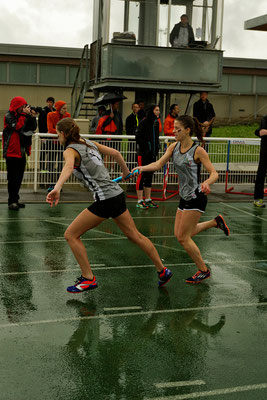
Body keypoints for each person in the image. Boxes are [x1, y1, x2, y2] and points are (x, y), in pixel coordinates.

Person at [46, 117, 172, 293]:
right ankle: (162, 270)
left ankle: (88, 278)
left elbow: (68, 167)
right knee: (134, 235)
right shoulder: (89, 143)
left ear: (63, 134)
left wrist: (58, 188)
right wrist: (126, 172)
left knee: (71, 235)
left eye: (58, 134)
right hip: (117, 195)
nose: (57, 138)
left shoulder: (70, 150)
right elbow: (116, 153)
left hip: (106, 199)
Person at [132, 115, 230, 284]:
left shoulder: (198, 151)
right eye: (173, 128)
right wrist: (141, 168)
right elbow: (158, 164)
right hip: (183, 197)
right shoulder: (173, 147)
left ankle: (203, 270)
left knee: (184, 238)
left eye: (178, 129)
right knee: (181, 234)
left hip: (196, 197)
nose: (174, 131)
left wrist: (207, 183)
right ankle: (215, 222)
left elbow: (215, 173)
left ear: (187, 131)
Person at [2, 96, 37, 210]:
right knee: (12, 178)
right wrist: (23, 115)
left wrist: (31, 116)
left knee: (19, 177)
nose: (24, 108)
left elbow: (33, 127)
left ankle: (15, 200)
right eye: (22, 106)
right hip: (12, 152)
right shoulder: (9, 116)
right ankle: (11, 201)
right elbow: (18, 126)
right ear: (17, 106)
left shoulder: (24, 116)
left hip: (21, 151)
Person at [135, 104, 161, 209]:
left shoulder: (156, 123)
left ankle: (148, 199)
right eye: (156, 110)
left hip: (152, 155)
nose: (158, 112)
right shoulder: (144, 122)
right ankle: (140, 200)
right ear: (151, 111)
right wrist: (147, 146)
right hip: (143, 154)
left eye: (159, 110)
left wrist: (156, 147)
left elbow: (156, 137)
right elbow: (138, 137)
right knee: (141, 176)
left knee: (150, 176)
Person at [47, 100, 71, 192]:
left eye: (66, 108)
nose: (66, 110)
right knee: (51, 163)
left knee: (61, 164)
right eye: (64, 108)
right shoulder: (50, 115)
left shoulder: (67, 116)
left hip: (62, 143)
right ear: (59, 108)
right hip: (53, 143)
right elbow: (50, 129)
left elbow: (69, 128)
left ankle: (58, 184)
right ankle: (52, 183)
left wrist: (59, 132)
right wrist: (62, 133)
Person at [38, 97, 56, 178]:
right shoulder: (43, 111)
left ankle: (49, 168)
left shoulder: (55, 111)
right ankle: (42, 169)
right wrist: (42, 136)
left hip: (52, 135)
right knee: (43, 152)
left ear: (53, 103)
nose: (49, 103)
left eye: (51, 102)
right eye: (48, 102)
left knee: (51, 153)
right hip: (45, 134)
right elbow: (40, 123)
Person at [253, 115, 267, 207]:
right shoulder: (265, 119)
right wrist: (259, 132)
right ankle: (258, 199)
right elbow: (259, 131)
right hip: (265, 152)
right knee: (260, 175)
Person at [125, 103, 140, 170]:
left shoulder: (141, 117)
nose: (135, 108)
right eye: (134, 107)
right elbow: (127, 129)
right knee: (131, 153)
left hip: (139, 139)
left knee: (138, 153)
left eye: (137, 107)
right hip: (132, 139)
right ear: (132, 108)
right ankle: (130, 168)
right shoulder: (129, 118)